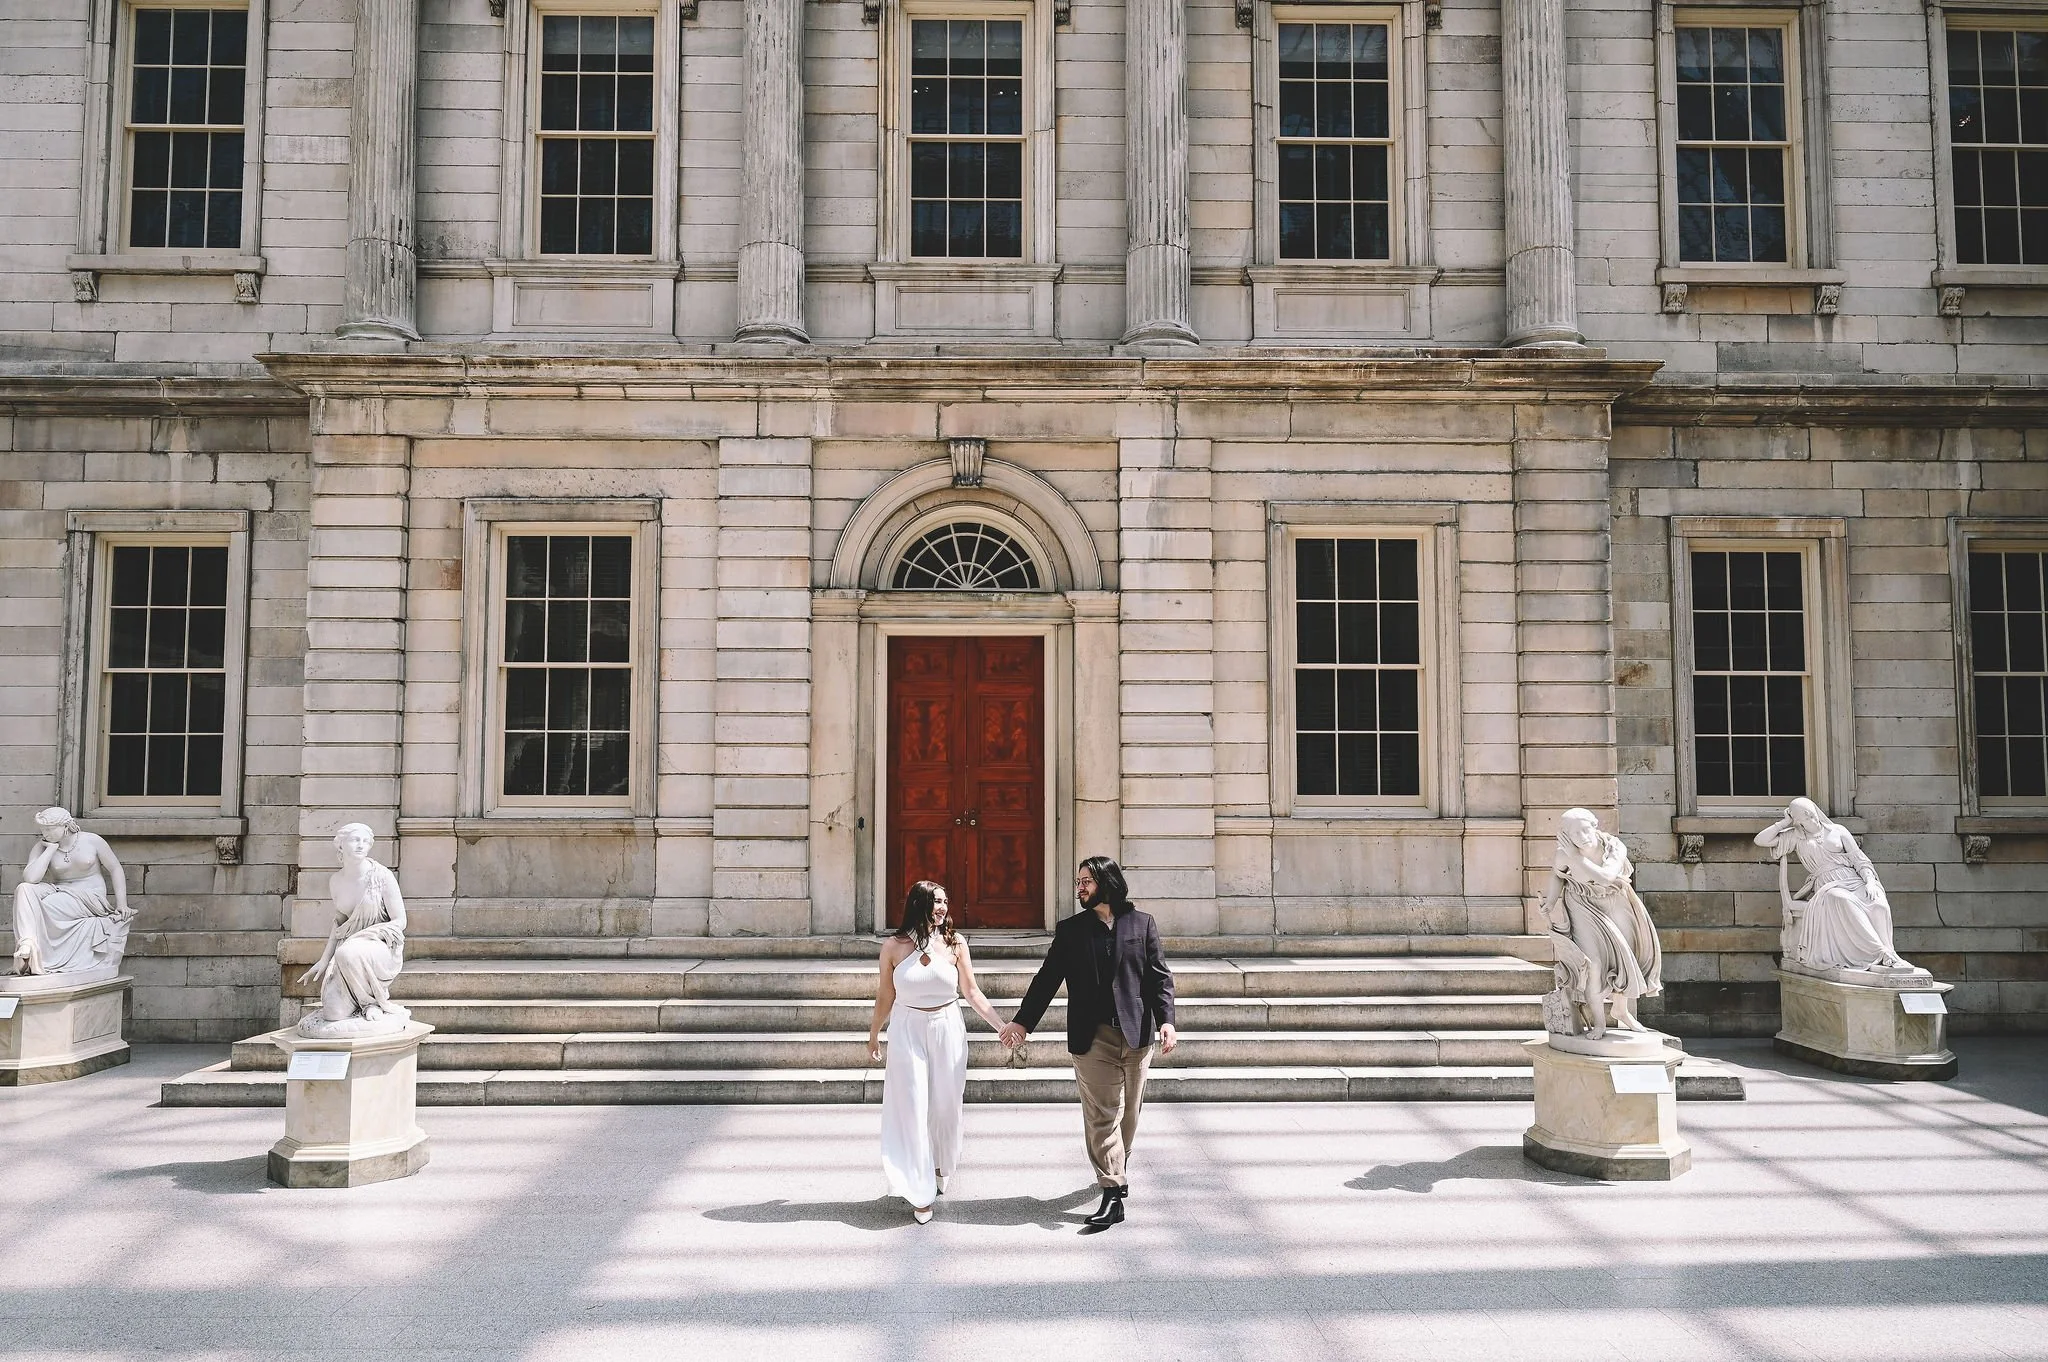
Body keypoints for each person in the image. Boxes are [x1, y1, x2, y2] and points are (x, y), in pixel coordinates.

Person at [999, 856, 1176, 1231]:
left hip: (1137, 1034)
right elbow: (1047, 979)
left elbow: (1159, 978)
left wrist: (1167, 1022)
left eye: (1086, 882)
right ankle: (1112, 1192)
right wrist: (1022, 1022)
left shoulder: (1141, 924)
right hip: (1092, 1036)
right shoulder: (1071, 930)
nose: (1079, 888)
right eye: (1078, 882)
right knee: (1102, 1115)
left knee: (1129, 1114)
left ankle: (1117, 1169)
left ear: (1107, 883)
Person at [867, 880, 1006, 1224]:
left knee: (944, 1106)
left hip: (947, 1029)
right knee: (912, 1106)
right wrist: (873, 1035)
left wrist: (1001, 1026)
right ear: (919, 904)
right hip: (907, 1030)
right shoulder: (893, 947)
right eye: (936, 901)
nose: (943, 908)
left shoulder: (955, 943)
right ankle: (919, 1190)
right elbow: (886, 996)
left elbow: (972, 992)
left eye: (945, 901)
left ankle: (940, 1164)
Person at [1756, 796, 1916, 976]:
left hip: (1853, 879)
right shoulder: (1795, 837)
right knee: (1841, 899)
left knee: (1878, 903)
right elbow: (1760, 840)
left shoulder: (1838, 830)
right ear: (1797, 820)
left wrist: (1870, 881)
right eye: (1804, 817)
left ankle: (1889, 952)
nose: (1811, 819)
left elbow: (1859, 859)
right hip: (1828, 886)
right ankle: (1880, 952)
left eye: (1811, 814)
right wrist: (1783, 822)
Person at [1537, 808, 1661, 1038]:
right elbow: (1557, 875)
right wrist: (1551, 901)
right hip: (1583, 906)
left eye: (1585, 829)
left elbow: (1606, 877)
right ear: (1566, 836)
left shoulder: (1614, 847)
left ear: (1595, 825)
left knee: (1625, 957)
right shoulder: (1564, 854)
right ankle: (1600, 1023)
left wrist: (1576, 857)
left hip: (1615, 902)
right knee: (1593, 964)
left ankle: (1621, 1011)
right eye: (1575, 833)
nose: (1582, 837)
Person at [296, 823, 410, 1032]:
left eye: (366, 841)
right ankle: (358, 1003)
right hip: (346, 951)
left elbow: (400, 921)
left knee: (348, 952)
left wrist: (367, 935)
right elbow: (340, 922)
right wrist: (323, 960)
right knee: (333, 1012)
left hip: (380, 947)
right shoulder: (336, 881)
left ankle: (372, 1003)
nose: (361, 845)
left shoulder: (382, 876)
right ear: (340, 845)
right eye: (355, 840)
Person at [10, 807, 133, 977]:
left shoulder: (92, 841)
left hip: (89, 896)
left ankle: (40, 951)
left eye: (49, 829)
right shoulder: (42, 846)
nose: (45, 833)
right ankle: (27, 943)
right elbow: (31, 878)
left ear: (66, 826)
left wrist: (122, 904)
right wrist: (50, 850)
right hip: (59, 889)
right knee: (24, 889)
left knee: (46, 906)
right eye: (42, 830)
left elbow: (115, 868)